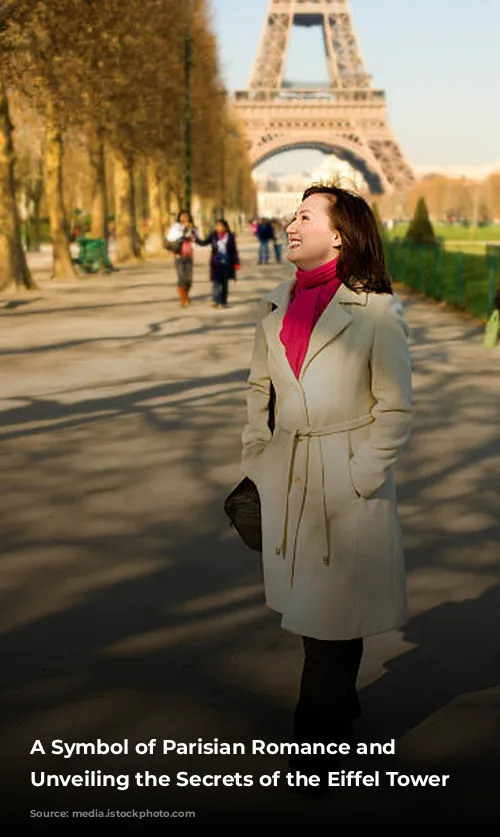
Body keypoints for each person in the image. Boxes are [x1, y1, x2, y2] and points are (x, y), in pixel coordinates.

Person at [240, 185, 413, 797]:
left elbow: (396, 408)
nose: (291, 224)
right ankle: (339, 716)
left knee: (334, 616)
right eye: (292, 215)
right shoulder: (274, 304)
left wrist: (361, 475)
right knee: (314, 611)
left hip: (344, 471)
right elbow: (259, 393)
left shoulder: (376, 312)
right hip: (288, 470)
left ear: (339, 235)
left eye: (304, 216)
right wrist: (256, 459)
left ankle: (317, 743)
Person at [196, 218, 240, 308]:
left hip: (227, 263)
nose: (218, 228)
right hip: (216, 263)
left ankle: (223, 302)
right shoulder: (213, 236)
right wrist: (195, 239)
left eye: (220, 226)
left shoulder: (230, 236)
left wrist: (236, 263)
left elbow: (234, 251)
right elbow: (203, 243)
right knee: (216, 282)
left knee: (224, 284)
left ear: (226, 227)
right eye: (217, 226)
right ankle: (215, 300)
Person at [165, 210, 200, 308]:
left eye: (186, 216)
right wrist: (183, 234)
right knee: (181, 279)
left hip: (189, 255)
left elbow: (198, 239)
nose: (184, 218)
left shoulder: (193, 228)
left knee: (189, 280)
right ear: (179, 217)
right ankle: (182, 299)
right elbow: (170, 239)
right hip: (179, 255)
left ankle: (186, 296)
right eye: (182, 216)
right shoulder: (175, 227)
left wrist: (194, 237)